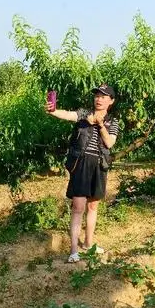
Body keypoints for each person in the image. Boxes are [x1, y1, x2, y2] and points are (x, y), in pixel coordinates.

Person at [45, 83, 120, 263]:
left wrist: (101, 125)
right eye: (97, 96)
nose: (99, 99)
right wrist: (53, 110)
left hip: (99, 166)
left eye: (103, 96)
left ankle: (88, 244)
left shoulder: (113, 121)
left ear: (111, 101)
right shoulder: (84, 114)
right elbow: (68, 114)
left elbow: (109, 143)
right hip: (81, 164)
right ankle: (73, 251)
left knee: (93, 206)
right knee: (78, 207)